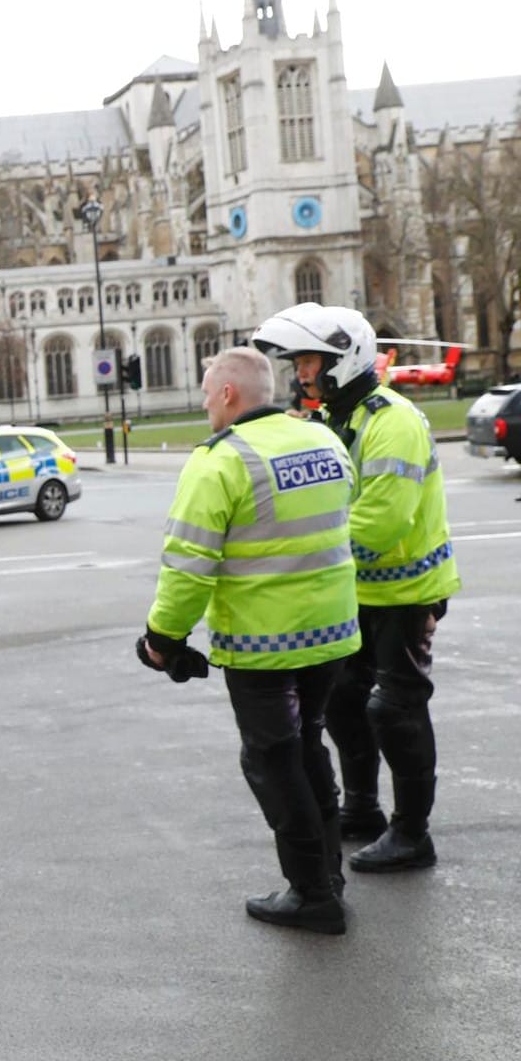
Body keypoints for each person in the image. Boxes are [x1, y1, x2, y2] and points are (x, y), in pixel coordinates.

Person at [137, 346, 360, 934]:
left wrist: (163, 639)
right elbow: (343, 514)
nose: (207, 403)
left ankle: (312, 893)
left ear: (229, 394)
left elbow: (187, 566)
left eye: (209, 392)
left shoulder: (220, 462)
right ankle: (329, 876)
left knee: (273, 760)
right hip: (333, 634)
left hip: (266, 646)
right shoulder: (323, 440)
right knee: (310, 747)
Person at [253, 303, 460, 874]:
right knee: (345, 702)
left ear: (345, 359)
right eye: (298, 363)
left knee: (396, 708)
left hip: (407, 590)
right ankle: (363, 808)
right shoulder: (334, 421)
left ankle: (413, 833)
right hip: (359, 593)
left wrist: (309, 556)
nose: (302, 374)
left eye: (311, 361)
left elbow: (381, 523)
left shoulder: (391, 421)